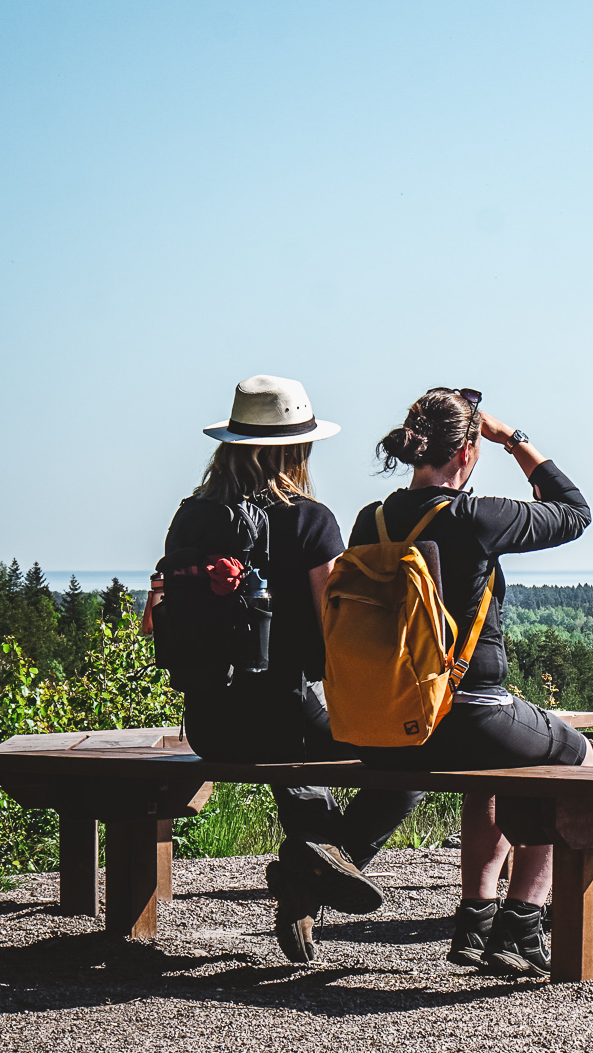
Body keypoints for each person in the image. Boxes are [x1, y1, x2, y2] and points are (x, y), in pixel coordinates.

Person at [161, 375, 424, 963]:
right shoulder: (310, 520)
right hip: (287, 715)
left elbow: (164, 613)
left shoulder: (190, 519)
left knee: (304, 774)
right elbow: (337, 632)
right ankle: (312, 873)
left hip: (209, 722)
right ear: (297, 449)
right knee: (410, 764)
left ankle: (312, 872)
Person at [349, 387, 591, 978]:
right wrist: (515, 440)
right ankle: (522, 926)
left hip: (396, 721)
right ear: (468, 451)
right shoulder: (478, 516)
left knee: (489, 782)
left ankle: (474, 923)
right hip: (470, 708)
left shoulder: (371, 520)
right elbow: (575, 511)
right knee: (574, 758)